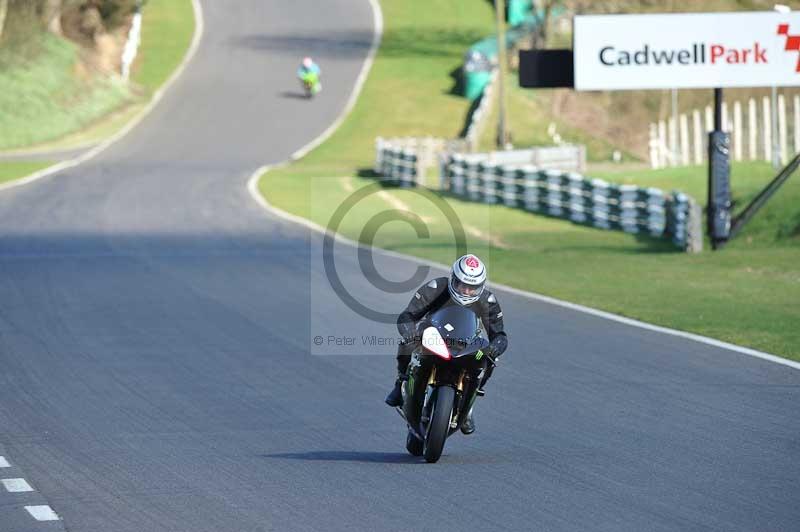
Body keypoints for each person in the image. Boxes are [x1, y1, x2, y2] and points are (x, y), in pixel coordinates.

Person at [385, 254, 508, 435]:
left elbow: (499, 334)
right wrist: (409, 330)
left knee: (488, 357)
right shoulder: (436, 288)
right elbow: (408, 315)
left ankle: (470, 403)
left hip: (467, 343)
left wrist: (496, 346)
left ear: (481, 286)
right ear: (453, 279)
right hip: (432, 335)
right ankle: (401, 381)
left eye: (472, 288)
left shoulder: (487, 300)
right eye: (462, 285)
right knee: (407, 341)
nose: (466, 291)